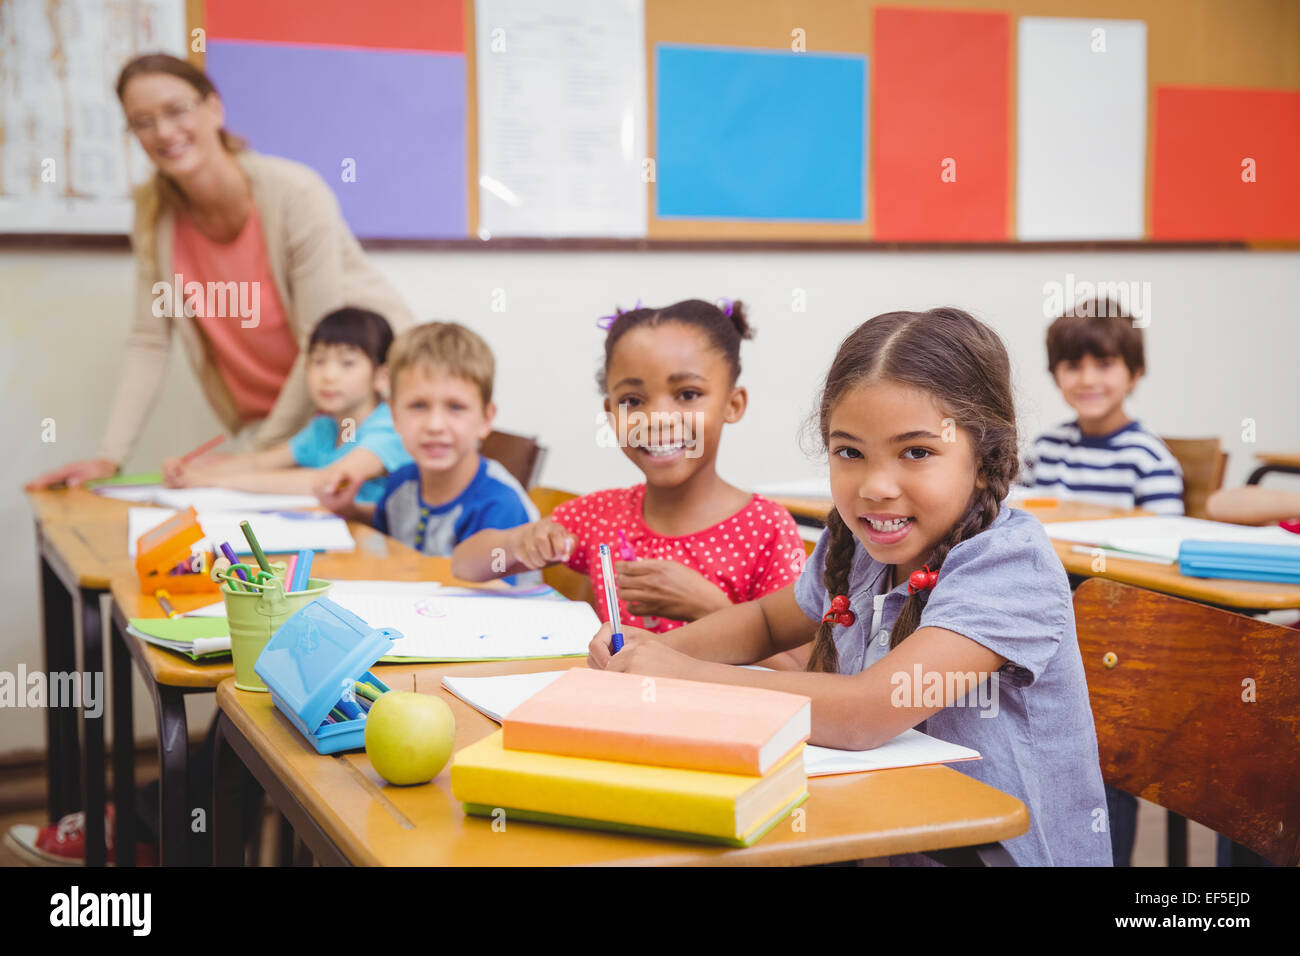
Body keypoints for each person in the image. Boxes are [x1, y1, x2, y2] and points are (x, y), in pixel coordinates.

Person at [587, 307, 1112, 866]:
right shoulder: (856, 550)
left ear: (984, 458)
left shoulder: (1009, 568)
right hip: (885, 835)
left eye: (917, 452)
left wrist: (684, 677)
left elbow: (868, 712)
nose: (876, 486)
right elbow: (765, 621)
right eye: (850, 453)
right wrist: (651, 652)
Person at [27, 53, 413, 490]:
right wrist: (109, 458)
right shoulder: (154, 216)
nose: (164, 132)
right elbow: (149, 340)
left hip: (359, 413)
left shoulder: (295, 195)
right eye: (142, 121)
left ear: (214, 107)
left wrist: (253, 458)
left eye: (177, 110)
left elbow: (314, 337)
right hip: (281, 428)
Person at [450, 299, 807, 666]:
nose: (657, 418)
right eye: (633, 400)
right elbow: (466, 566)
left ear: (733, 404)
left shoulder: (767, 530)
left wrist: (711, 609)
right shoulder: (600, 515)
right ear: (611, 413)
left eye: (687, 395)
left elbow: (797, 674)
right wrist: (517, 544)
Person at [163, 307, 411, 512]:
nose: (328, 375)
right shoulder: (324, 428)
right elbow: (260, 462)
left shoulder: (389, 429)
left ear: (382, 377)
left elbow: (326, 482)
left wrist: (213, 481)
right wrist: (190, 473)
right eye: (319, 361)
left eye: (347, 363)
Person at [374, 322, 540, 586]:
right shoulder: (398, 485)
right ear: (394, 415)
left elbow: (494, 608)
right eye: (418, 406)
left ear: (486, 419)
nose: (435, 425)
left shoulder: (501, 505)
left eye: (455, 407)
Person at [1021, 298, 1184, 515]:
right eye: (1073, 366)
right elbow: (1016, 516)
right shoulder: (1043, 449)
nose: (1088, 380)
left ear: (1135, 374)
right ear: (1055, 375)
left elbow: (1165, 538)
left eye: (1104, 364)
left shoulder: (1148, 459)